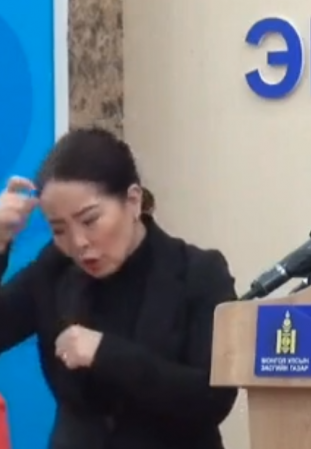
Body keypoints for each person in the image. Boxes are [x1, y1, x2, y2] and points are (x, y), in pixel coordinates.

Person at [0, 127, 238, 449]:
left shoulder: (198, 272)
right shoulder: (54, 270)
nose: (78, 243)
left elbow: (212, 399)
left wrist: (105, 353)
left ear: (133, 200)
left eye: (90, 220)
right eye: (59, 229)